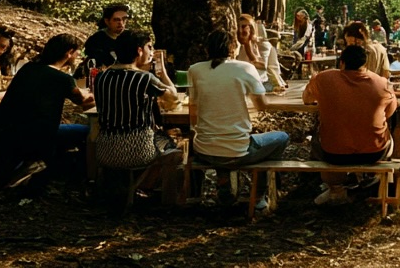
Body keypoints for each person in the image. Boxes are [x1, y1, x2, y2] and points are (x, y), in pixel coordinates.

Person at [0, 33, 94, 195]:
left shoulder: (28, 68)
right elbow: (84, 101)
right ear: (69, 53)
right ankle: (79, 179)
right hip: (34, 138)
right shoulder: (62, 78)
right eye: (77, 53)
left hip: (2, 132)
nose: (77, 57)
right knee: (87, 132)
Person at [188, 30, 290, 206]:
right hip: (237, 150)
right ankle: (259, 196)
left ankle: (225, 187)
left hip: (203, 149)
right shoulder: (244, 68)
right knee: (282, 137)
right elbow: (262, 105)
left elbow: (193, 107)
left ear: (207, 49)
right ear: (232, 48)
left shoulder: (195, 70)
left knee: (221, 144)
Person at [92, 29, 183, 202]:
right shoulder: (144, 78)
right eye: (149, 47)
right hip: (137, 149)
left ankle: (133, 188)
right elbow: (173, 99)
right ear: (139, 51)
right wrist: (162, 70)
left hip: (104, 149)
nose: (152, 51)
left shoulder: (102, 77)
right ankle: (165, 199)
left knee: (162, 141)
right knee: (176, 147)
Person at [302, 43, 397, 205]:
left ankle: (335, 188)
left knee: (318, 139)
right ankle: (374, 180)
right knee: (389, 134)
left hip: (334, 154)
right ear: (365, 65)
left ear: (342, 63)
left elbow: (307, 100)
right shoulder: (383, 84)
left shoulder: (323, 78)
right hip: (374, 152)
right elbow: (389, 113)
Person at [237, 14, 285, 92]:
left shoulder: (262, 44)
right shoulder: (235, 44)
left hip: (260, 83)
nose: (240, 31)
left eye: (244, 27)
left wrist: (247, 46)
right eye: (238, 27)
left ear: (251, 29)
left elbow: (262, 67)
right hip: (242, 82)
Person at [83, 3, 130, 68]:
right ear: (107, 21)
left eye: (124, 19)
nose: (121, 23)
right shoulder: (96, 40)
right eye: (116, 20)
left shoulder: (130, 37)